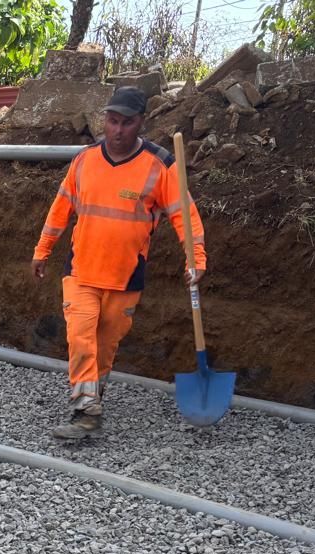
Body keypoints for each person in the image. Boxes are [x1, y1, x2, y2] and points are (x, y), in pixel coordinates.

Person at [31, 86, 207, 440]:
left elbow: (184, 216)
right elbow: (61, 208)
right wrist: (42, 250)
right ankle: (85, 410)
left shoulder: (160, 166)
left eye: (126, 123)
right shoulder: (84, 161)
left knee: (104, 347)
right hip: (81, 271)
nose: (117, 130)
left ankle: (93, 398)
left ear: (140, 122)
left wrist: (196, 258)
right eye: (112, 121)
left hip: (125, 278)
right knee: (81, 337)